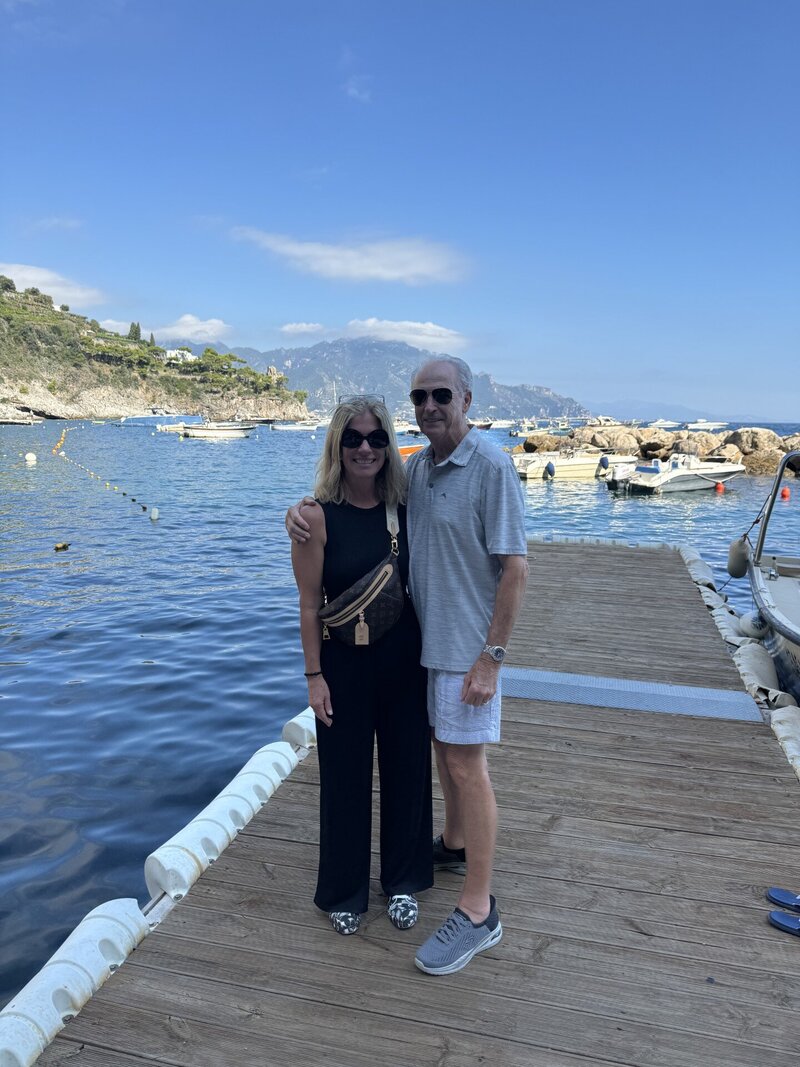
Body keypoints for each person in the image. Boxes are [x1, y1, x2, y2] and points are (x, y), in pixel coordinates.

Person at [288, 358, 528, 975]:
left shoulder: (463, 474)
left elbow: (513, 569)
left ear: (466, 399)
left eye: (440, 394)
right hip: (382, 657)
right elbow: (314, 585)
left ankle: (444, 898)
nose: (366, 447)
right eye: (419, 397)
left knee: (438, 768)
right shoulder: (400, 480)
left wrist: (492, 659)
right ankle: (398, 869)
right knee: (392, 769)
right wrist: (313, 676)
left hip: (439, 655)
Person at [290, 394, 432, 937]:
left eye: (376, 438)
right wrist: (313, 676)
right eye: (353, 438)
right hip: (342, 666)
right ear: (336, 445)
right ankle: (344, 890)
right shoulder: (314, 517)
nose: (365, 448)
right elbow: (307, 605)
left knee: (407, 773)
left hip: (405, 662)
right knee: (344, 779)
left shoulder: (408, 506)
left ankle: (402, 881)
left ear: (390, 445)